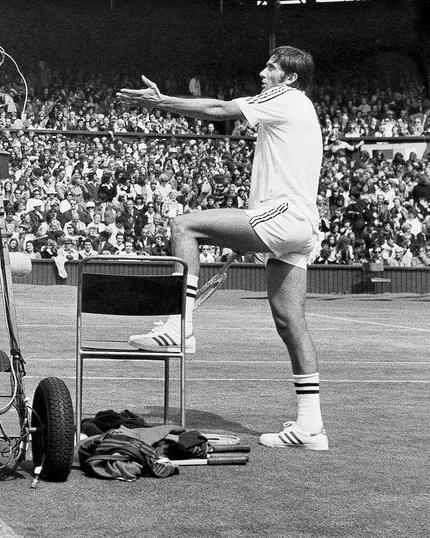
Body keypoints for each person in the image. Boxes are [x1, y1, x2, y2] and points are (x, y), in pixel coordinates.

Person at [117, 46, 328, 451]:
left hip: (283, 217)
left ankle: (181, 325)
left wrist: (162, 101)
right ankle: (310, 426)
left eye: (271, 67)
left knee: (184, 225)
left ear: (290, 78)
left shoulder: (283, 98)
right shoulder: (299, 107)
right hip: (299, 225)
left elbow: (218, 109)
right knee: (290, 322)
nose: (262, 72)